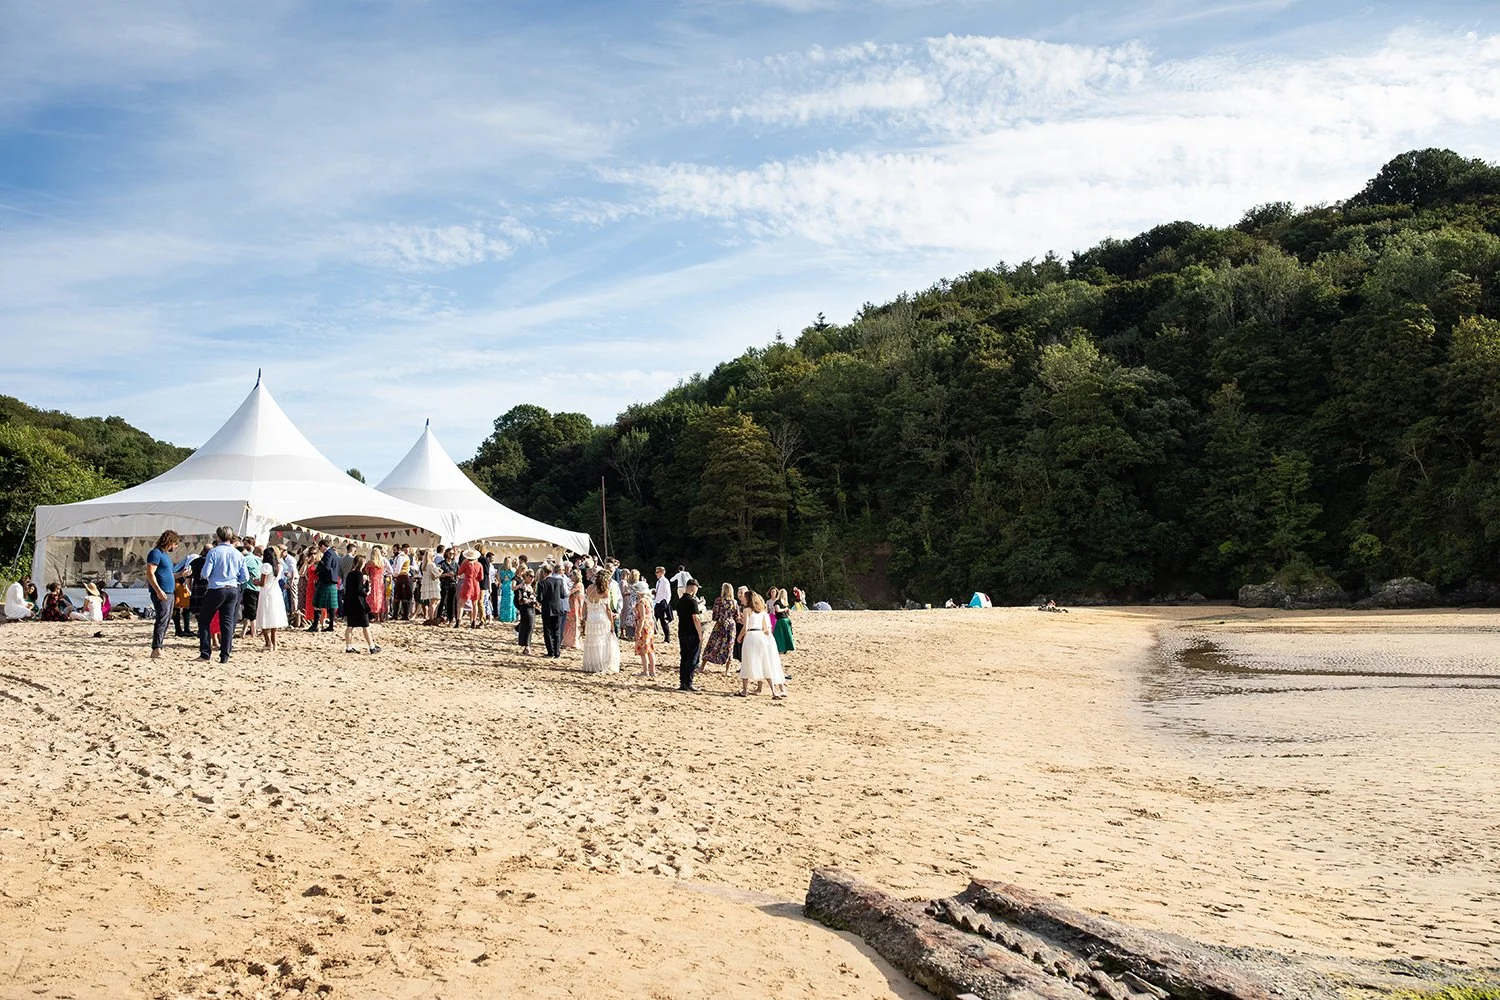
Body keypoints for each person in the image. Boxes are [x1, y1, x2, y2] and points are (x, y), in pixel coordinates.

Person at [197, 527, 248, 662]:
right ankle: (225, 655)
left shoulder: (214, 552)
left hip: (216, 588)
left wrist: (206, 576)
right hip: (232, 588)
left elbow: (205, 573)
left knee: (204, 620)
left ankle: (205, 653)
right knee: (227, 622)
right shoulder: (238, 554)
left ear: (218, 537)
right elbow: (245, 577)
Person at [145, 530, 190, 657]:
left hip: (169, 592)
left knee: (166, 619)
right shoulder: (155, 553)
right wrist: (158, 590)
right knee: (162, 619)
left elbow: (169, 575)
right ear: (170, 542)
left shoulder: (164, 556)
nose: (175, 547)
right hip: (162, 592)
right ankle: (156, 648)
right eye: (175, 544)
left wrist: (181, 574)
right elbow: (149, 573)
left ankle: (159, 646)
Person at [736, 591, 787, 700]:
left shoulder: (746, 610)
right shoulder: (762, 612)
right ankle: (773, 691)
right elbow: (766, 628)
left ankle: (744, 690)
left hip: (751, 635)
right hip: (760, 636)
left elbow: (745, 627)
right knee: (765, 662)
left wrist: (739, 638)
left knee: (747, 662)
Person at [580, 573, 620, 674]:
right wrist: (612, 625)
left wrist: (583, 617)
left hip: (591, 618)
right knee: (602, 641)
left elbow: (584, 605)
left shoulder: (589, 588)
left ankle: (592, 665)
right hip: (601, 618)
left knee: (592, 641)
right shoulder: (605, 591)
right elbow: (608, 610)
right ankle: (601, 664)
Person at [342, 554, 379, 653]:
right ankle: (372, 647)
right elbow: (359, 589)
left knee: (350, 626)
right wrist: (366, 592)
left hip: (350, 603)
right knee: (365, 626)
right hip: (359, 604)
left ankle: (348, 647)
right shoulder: (359, 575)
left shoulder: (350, 574)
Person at [257, 544, 290, 650]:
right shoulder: (279, 566)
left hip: (266, 591)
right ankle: (274, 643)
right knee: (274, 617)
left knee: (264, 616)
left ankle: (268, 642)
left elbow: (262, 582)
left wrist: (255, 582)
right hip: (276, 592)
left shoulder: (266, 566)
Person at [675, 579, 704, 692]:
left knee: (684, 657)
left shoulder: (680, 601)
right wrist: (700, 633)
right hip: (692, 632)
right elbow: (696, 618)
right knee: (692, 658)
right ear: (693, 588)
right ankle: (689, 682)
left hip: (682, 632)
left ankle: (683, 682)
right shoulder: (692, 601)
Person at [702, 582, 737, 673]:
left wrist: (718, 618)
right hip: (731, 626)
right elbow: (737, 616)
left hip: (720, 624)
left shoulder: (719, 600)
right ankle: (727, 670)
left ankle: (702, 666)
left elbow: (715, 615)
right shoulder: (734, 602)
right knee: (729, 646)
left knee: (712, 644)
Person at [536, 562, 569, 657]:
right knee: (557, 630)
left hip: (547, 609)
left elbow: (540, 598)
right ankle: (557, 652)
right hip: (558, 608)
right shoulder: (559, 581)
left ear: (544, 572)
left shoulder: (542, 583)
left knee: (548, 630)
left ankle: (550, 651)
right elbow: (563, 595)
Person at [308, 539, 341, 632]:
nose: (319, 549)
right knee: (331, 605)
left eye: (319, 547)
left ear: (322, 546)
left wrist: (317, 569)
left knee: (317, 603)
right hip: (332, 581)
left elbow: (326, 567)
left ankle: (315, 625)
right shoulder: (334, 553)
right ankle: (330, 626)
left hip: (326, 581)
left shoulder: (328, 554)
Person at [632, 580, 656, 677]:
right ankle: (652, 671)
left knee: (643, 650)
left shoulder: (641, 602)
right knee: (650, 649)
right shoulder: (648, 600)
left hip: (644, 626)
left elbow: (642, 617)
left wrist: (638, 630)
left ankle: (645, 671)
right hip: (649, 625)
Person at [456, 548, 485, 629]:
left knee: (461, 604)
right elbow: (481, 577)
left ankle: (458, 621)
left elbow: (459, 572)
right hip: (476, 584)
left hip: (467, 583)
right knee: (474, 604)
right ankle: (474, 622)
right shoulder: (479, 565)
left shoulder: (465, 563)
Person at [239, 541, 262, 640]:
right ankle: (243, 633)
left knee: (251, 612)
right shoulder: (257, 559)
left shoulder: (245, 559)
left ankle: (253, 633)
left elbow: (241, 573)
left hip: (249, 588)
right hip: (258, 588)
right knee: (249, 612)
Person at [513, 568, 538, 654]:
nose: (532, 578)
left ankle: (527, 645)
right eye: (531, 576)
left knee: (529, 627)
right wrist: (531, 601)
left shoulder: (530, 586)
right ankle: (527, 646)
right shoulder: (522, 586)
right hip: (526, 608)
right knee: (529, 626)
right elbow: (521, 599)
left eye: (533, 576)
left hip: (531, 608)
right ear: (526, 576)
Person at [769, 586, 795, 655]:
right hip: (786, 619)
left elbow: (778, 610)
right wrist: (786, 609)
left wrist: (784, 609)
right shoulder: (785, 603)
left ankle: (779, 648)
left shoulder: (778, 602)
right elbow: (788, 612)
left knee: (778, 635)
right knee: (786, 634)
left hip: (781, 620)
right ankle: (786, 648)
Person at [366, 545, 387, 624]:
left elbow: (367, 572)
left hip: (373, 581)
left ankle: (376, 616)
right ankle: (381, 617)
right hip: (380, 581)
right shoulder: (381, 562)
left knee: (374, 598)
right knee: (380, 598)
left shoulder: (370, 563)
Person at [563, 570, 584, 650]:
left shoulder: (578, 585)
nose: (570, 577)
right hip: (572, 606)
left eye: (572, 576)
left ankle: (574, 642)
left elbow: (569, 593)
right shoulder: (576, 584)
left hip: (575, 607)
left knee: (574, 624)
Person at [391, 544, 413, 621]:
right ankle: (397, 614)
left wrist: (394, 575)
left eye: (395, 550)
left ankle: (404, 615)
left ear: (399, 549)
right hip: (401, 577)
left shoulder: (401, 557)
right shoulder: (399, 557)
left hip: (402, 577)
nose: (394, 552)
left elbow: (398, 568)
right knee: (398, 596)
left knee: (402, 596)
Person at [653, 566, 672, 642]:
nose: (656, 574)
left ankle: (667, 638)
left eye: (657, 572)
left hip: (662, 602)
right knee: (654, 619)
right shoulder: (658, 582)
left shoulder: (665, 581)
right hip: (657, 601)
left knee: (663, 621)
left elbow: (668, 593)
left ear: (662, 572)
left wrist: (666, 602)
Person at [497, 556, 518, 623]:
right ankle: (511, 617)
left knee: (503, 602)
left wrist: (500, 583)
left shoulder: (501, 570)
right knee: (511, 602)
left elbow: (499, 578)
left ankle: (503, 617)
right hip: (510, 585)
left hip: (504, 585)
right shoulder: (513, 570)